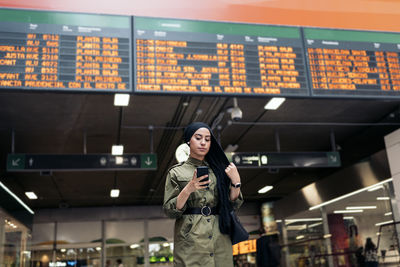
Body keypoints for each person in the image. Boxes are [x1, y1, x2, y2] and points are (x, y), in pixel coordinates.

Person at [163, 122, 244, 266]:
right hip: (190, 236)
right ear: (188, 140)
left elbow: (233, 203)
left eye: (207, 139)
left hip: (219, 233)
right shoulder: (176, 172)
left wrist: (236, 182)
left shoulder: (220, 170)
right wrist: (188, 189)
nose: (203, 143)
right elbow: (170, 211)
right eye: (198, 138)